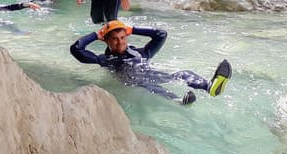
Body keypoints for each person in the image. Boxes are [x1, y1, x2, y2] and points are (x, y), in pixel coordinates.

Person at [70, 20, 232, 105]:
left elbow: (161, 34)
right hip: (136, 82)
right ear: (107, 42)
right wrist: (96, 35)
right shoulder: (107, 60)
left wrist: (132, 29)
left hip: (153, 74)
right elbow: (76, 49)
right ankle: (179, 101)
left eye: (122, 38)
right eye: (114, 39)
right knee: (151, 87)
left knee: (183, 74)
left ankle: (209, 87)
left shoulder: (141, 53)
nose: (120, 42)